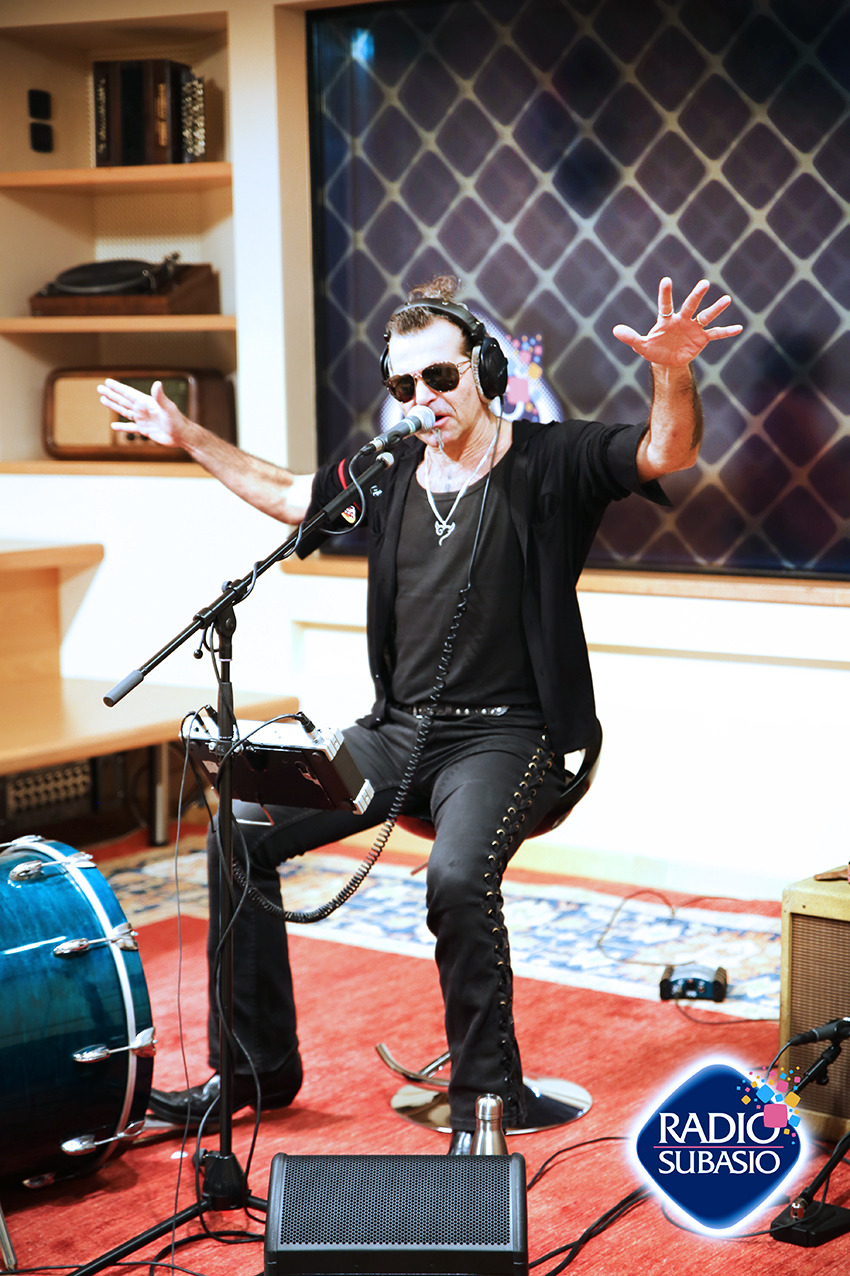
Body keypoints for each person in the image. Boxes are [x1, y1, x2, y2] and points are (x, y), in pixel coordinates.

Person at [98, 275, 742, 1152]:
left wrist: (672, 371)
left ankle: (486, 1104)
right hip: (399, 731)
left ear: (486, 370)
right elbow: (291, 495)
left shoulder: (551, 459)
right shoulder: (389, 469)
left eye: (440, 377)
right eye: (404, 385)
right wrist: (187, 437)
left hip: (511, 735)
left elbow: (666, 450)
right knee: (240, 827)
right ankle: (253, 1070)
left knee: (456, 877)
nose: (423, 399)